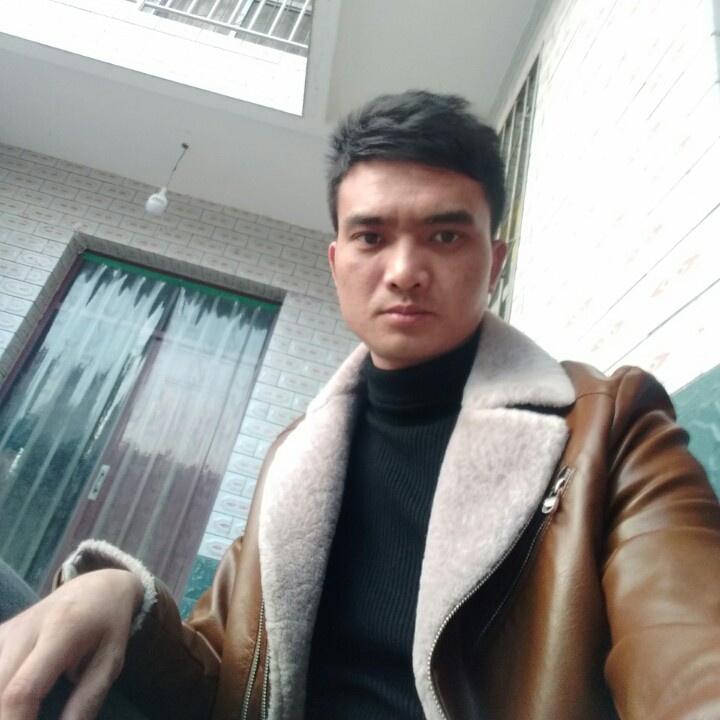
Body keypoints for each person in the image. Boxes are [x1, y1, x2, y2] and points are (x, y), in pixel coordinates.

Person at [1, 90, 720, 720]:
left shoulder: (606, 427)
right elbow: (223, 679)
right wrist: (123, 597)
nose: (405, 271)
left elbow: (688, 648)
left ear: (494, 265)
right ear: (337, 261)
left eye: (445, 235)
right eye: (372, 237)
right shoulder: (297, 454)